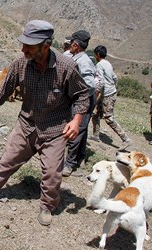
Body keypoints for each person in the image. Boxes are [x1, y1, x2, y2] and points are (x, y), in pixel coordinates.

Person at [0, 20, 89, 226]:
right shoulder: (20, 63)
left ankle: (47, 206)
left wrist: (76, 121)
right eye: (23, 43)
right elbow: (1, 92)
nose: (23, 49)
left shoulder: (66, 67)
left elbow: (82, 95)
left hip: (54, 130)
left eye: (29, 45)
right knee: (7, 160)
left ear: (46, 45)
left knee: (52, 173)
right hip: (26, 125)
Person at [62, 30, 97, 177]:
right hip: (81, 98)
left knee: (77, 128)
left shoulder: (84, 62)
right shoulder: (74, 56)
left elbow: (89, 86)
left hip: (85, 99)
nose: (69, 45)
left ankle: (69, 164)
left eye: (71, 43)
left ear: (76, 45)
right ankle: (81, 155)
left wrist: (77, 98)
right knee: (83, 128)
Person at [90, 45, 131, 150]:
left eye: (95, 54)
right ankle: (95, 135)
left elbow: (101, 82)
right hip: (109, 93)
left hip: (106, 95)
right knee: (95, 114)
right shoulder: (108, 63)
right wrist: (112, 88)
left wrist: (96, 95)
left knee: (109, 118)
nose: (95, 56)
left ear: (98, 54)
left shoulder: (99, 65)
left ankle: (125, 139)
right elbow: (115, 77)